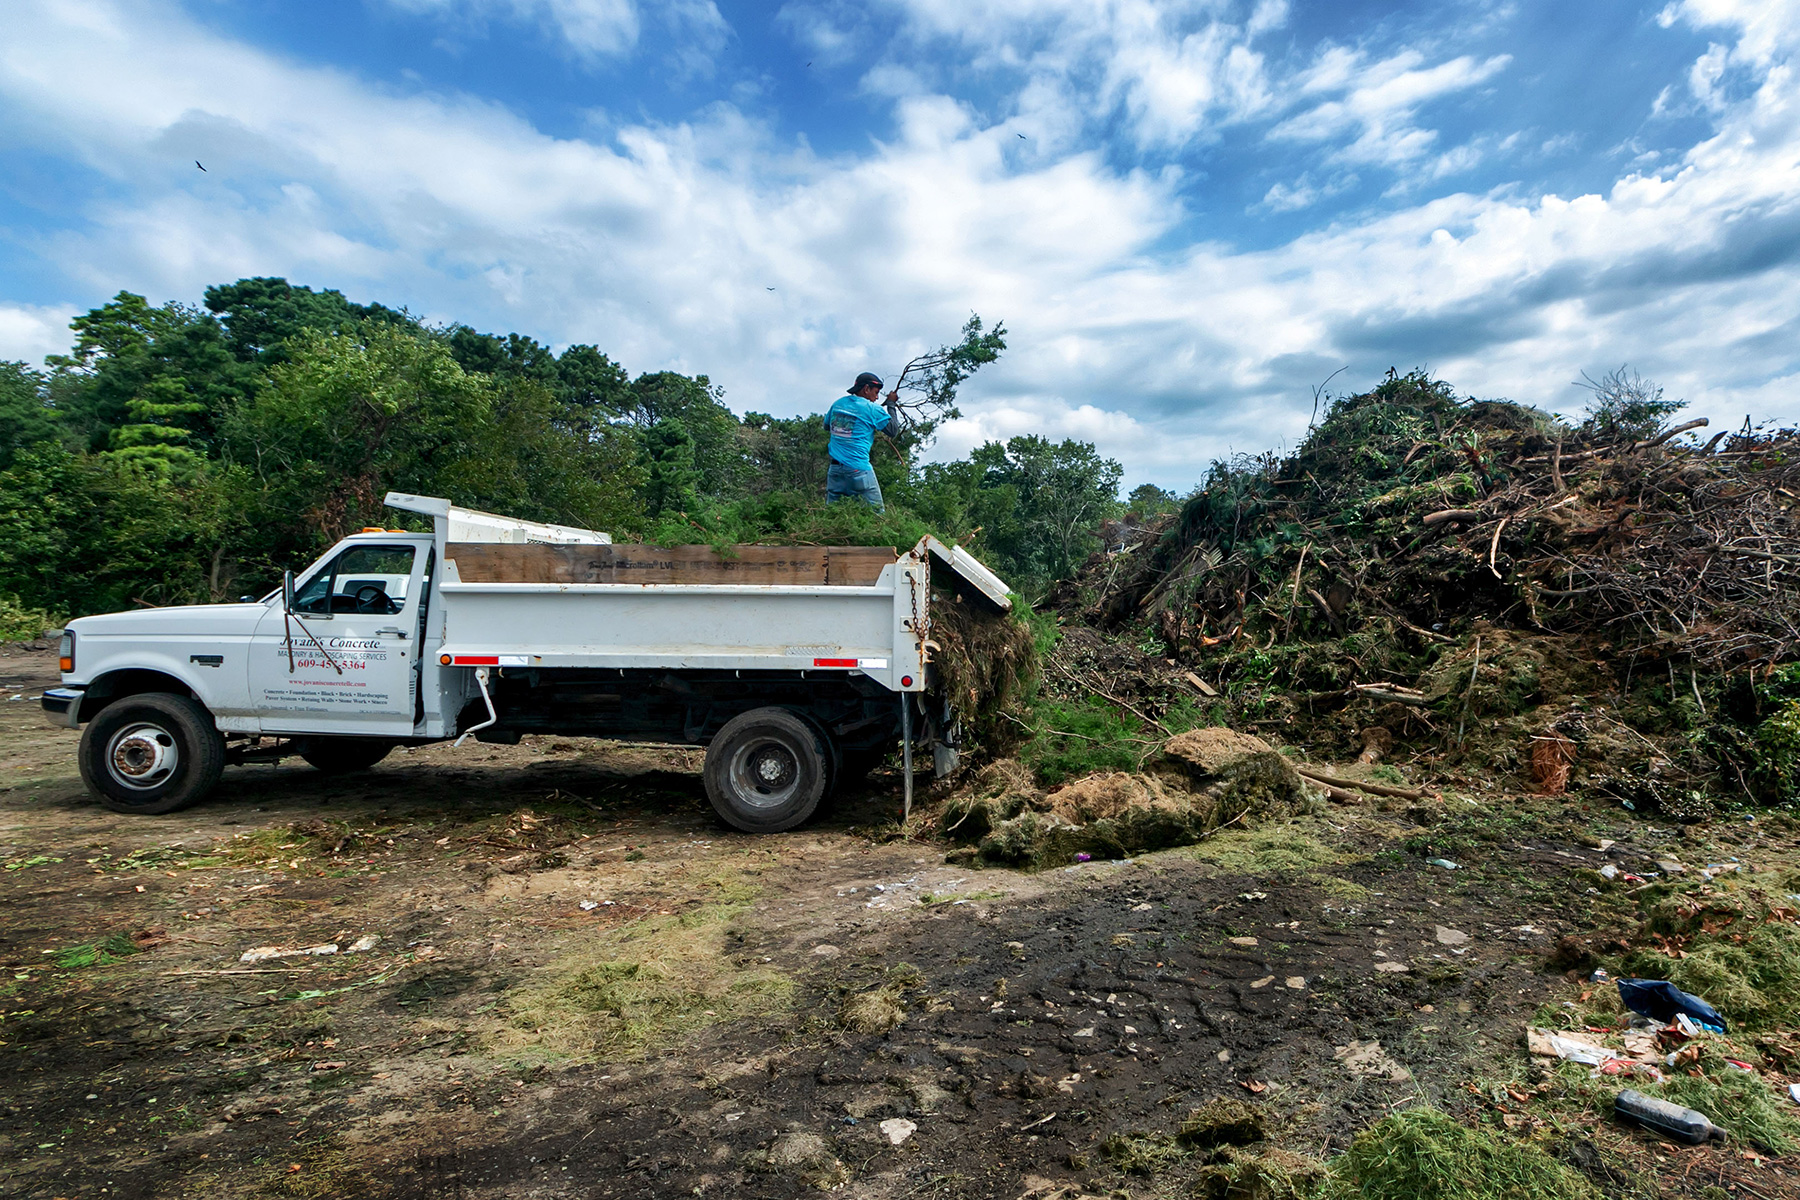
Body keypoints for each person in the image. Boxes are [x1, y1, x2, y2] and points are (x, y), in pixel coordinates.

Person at [824, 371, 901, 510]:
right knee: (877, 516)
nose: (877, 397)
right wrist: (891, 404)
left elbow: (827, 425)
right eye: (876, 392)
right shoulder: (872, 409)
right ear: (866, 389)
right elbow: (893, 430)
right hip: (858, 470)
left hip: (834, 471)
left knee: (833, 514)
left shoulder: (838, 404)